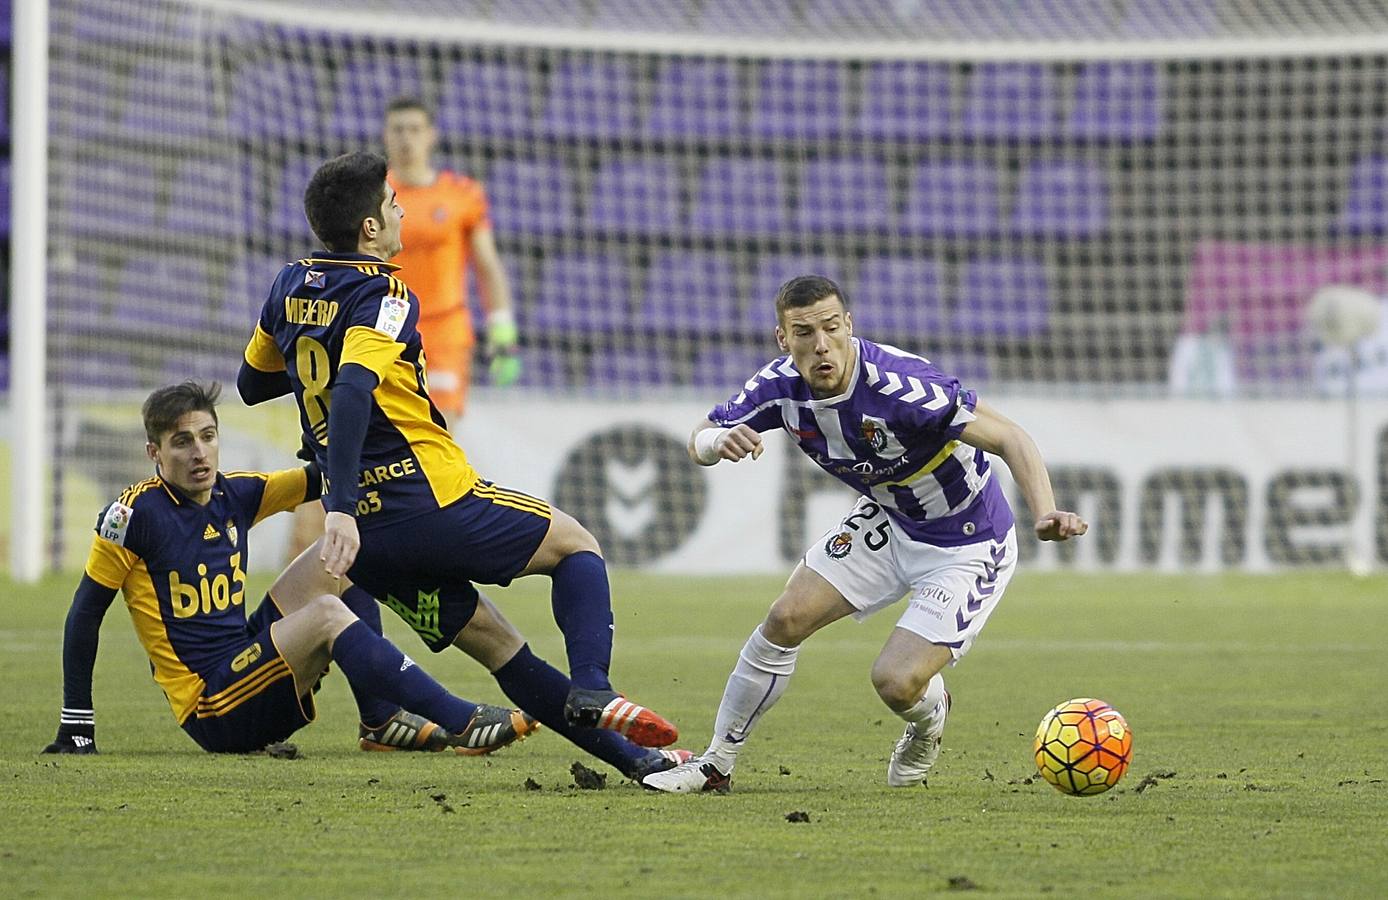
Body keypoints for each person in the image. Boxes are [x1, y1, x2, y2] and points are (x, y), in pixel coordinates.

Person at [236, 151, 688, 782]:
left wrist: (341, 488)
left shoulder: (287, 283)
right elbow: (355, 388)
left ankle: (643, 765)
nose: (400, 211)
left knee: (501, 648)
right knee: (575, 544)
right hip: (430, 500)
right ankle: (593, 685)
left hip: (371, 546)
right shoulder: (385, 291)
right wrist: (335, 504)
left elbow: (251, 384)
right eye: (392, 203)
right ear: (370, 228)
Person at [641, 275, 1088, 793]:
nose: (821, 344)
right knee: (785, 618)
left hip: (968, 541)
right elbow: (698, 437)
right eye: (804, 333)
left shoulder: (902, 386)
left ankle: (929, 716)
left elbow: (1011, 436)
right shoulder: (778, 388)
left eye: (832, 328)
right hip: (889, 519)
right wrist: (720, 440)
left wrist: (1045, 511)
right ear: (783, 340)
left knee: (896, 683)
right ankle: (715, 765)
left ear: (848, 326)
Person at [42, 381, 535, 756]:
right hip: (212, 704)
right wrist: (77, 724)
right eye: (182, 442)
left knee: (341, 550)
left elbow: (318, 478)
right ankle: (461, 719)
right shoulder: (132, 518)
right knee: (324, 613)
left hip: (246, 658)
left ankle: (379, 720)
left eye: (208, 437)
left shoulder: (234, 493)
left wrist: (344, 434)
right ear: (155, 453)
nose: (199, 453)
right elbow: (85, 615)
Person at [285, 97, 522, 559]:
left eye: (415, 129)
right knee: (345, 438)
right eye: (398, 129)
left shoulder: (462, 195)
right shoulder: (375, 199)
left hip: (444, 337)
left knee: (432, 438)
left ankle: (417, 543)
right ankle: (321, 548)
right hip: (373, 330)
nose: (406, 138)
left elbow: (487, 265)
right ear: (386, 135)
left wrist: (504, 334)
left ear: (431, 135)